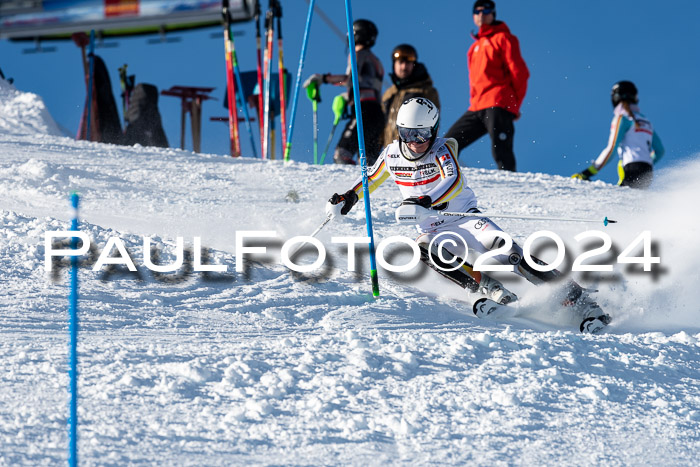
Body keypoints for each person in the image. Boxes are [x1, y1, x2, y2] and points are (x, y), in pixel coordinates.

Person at [325, 98, 611, 334]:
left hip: (464, 218)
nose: (415, 142)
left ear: (433, 130)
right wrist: (349, 197)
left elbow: (455, 181)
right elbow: (371, 180)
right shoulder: (392, 154)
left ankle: (581, 303)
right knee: (423, 249)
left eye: (422, 134)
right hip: (434, 229)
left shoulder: (441, 149)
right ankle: (490, 289)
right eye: (408, 133)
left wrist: (426, 200)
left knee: (509, 252)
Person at [444, 0, 529, 171]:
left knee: (501, 148)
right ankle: (443, 182)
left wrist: (513, 106)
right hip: (477, 106)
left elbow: (520, 73)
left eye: (486, 10)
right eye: (477, 11)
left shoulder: (504, 39)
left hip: (498, 101)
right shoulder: (474, 47)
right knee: (449, 144)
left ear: (493, 14)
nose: (481, 14)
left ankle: (512, 186)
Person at [303, 19, 385, 165]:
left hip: (364, 110)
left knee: (342, 154)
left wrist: (324, 79)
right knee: (368, 161)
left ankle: (347, 185)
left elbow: (349, 79)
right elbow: (368, 86)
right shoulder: (376, 60)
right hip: (377, 113)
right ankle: (370, 186)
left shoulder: (358, 54)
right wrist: (348, 96)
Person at [572, 81, 664, 189]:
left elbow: (612, 148)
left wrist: (588, 172)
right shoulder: (646, 121)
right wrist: (646, 162)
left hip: (631, 167)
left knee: (622, 201)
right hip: (647, 171)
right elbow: (660, 151)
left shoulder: (622, 118)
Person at [382, 44, 440, 146]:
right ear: (394, 64)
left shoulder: (425, 90)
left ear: (414, 64)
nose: (404, 67)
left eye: (408, 63)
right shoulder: (389, 94)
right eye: (400, 62)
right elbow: (382, 124)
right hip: (392, 151)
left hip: (414, 148)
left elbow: (434, 123)